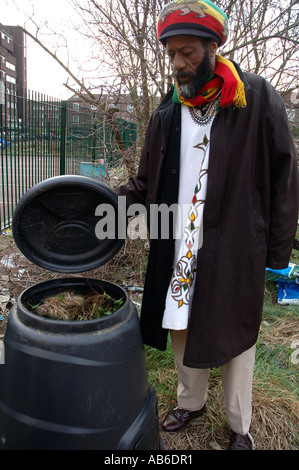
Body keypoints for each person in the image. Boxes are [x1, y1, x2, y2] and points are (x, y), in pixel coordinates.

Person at [115, 0, 299, 450]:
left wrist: (276, 251)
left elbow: (286, 175)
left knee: (235, 333)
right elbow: (145, 179)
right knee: (179, 320)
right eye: (171, 53)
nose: (177, 63)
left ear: (215, 45)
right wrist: (100, 205)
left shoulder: (254, 97)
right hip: (177, 239)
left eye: (188, 52)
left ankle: (240, 426)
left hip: (235, 242)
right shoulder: (167, 108)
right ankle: (190, 401)